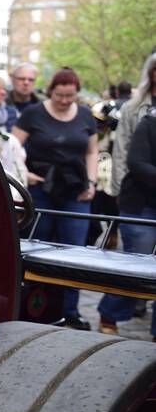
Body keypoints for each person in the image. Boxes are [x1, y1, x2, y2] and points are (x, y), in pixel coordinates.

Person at [12, 67, 99, 330]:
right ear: (51, 91)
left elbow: (92, 152)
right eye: (60, 95)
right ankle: (33, 307)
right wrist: (24, 174)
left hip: (75, 190)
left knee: (75, 252)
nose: (64, 101)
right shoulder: (33, 113)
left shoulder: (85, 115)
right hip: (40, 190)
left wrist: (93, 182)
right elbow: (12, 148)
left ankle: (70, 310)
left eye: (70, 96)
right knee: (37, 248)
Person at [97, 51, 156, 331]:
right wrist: (119, 188)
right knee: (136, 261)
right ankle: (110, 315)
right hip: (139, 192)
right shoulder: (135, 108)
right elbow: (122, 152)